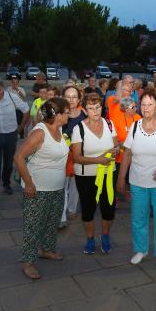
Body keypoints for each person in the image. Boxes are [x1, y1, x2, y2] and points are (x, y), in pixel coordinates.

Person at [116, 92, 156, 272]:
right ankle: (141, 250)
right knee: (138, 219)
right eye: (143, 104)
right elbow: (127, 153)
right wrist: (121, 178)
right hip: (137, 183)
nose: (145, 108)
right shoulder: (135, 126)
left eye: (150, 104)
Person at [14, 98, 70, 280]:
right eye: (67, 112)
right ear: (58, 115)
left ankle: (46, 249)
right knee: (33, 226)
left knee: (52, 222)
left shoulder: (59, 129)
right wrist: (29, 184)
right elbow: (19, 157)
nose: (69, 114)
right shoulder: (40, 132)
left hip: (57, 187)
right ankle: (28, 262)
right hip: (38, 189)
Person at [71, 93, 119, 255]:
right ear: (84, 110)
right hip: (86, 176)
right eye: (91, 108)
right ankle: (90, 239)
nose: (95, 111)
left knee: (108, 209)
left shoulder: (109, 124)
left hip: (108, 173)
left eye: (97, 107)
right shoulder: (78, 129)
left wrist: (115, 150)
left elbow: (116, 145)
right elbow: (76, 157)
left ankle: (105, 236)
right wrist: (99, 160)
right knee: (88, 209)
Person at [61, 86, 86, 225]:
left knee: (76, 185)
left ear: (79, 99)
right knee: (62, 184)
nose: (71, 100)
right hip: (61, 157)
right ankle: (61, 213)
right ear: (63, 98)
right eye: (68, 97)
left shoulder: (84, 114)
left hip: (78, 156)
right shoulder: (58, 114)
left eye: (74, 97)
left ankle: (72, 208)